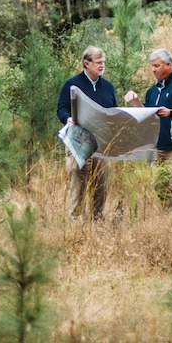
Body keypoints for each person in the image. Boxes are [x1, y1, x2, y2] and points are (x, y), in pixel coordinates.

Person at [125, 48, 172, 209]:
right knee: (160, 186)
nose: (153, 69)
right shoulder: (153, 90)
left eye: (156, 66)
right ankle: (168, 222)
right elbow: (147, 115)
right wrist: (136, 100)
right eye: (152, 66)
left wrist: (170, 112)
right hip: (156, 147)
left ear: (168, 65)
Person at [57, 46, 116, 220]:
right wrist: (68, 119)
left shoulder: (108, 87)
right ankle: (75, 225)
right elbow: (61, 108)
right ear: (86, 64)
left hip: (102, 144)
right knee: (78, 186)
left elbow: (113, 111)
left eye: (103, 62)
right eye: (98, 63)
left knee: (101, 187)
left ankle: (97, 224)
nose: (102, 66)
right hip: (78, 142)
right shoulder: (72, 84)